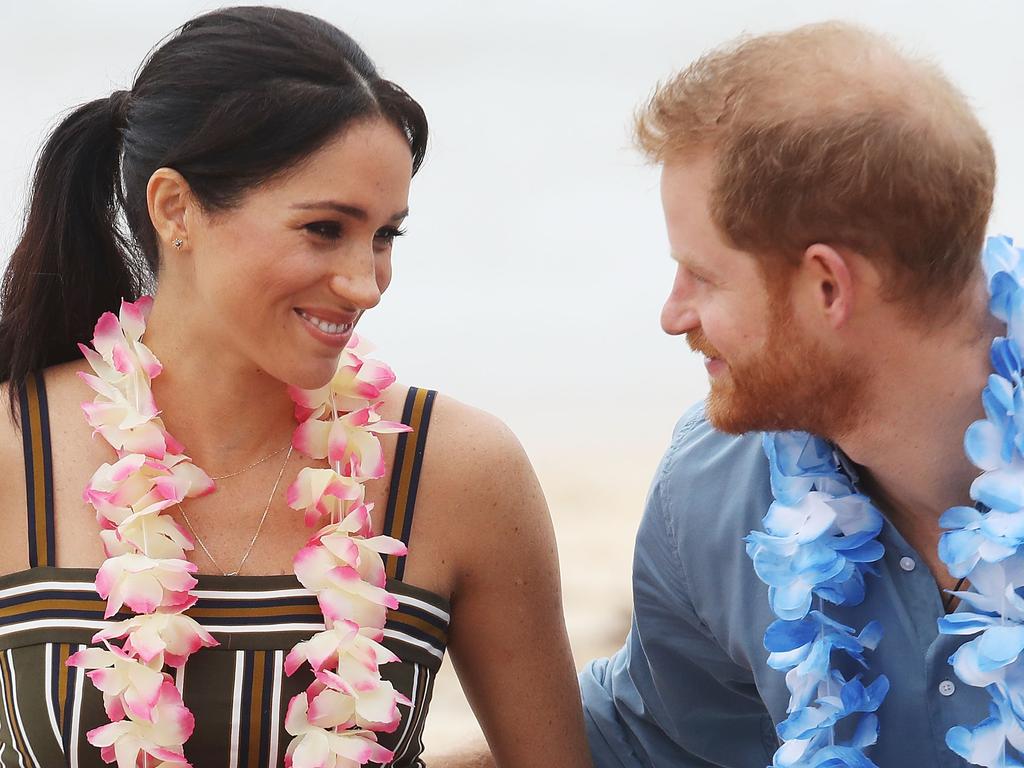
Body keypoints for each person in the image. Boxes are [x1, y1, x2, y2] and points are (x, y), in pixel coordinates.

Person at [0, 7, 590, 767]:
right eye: (324, 229)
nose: (367, 282)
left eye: (385, 235)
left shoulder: (457, 471)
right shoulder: (17, 450)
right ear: (175, 208)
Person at [579, 21, 1008, 768]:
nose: (673, 315)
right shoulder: (712, 490)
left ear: (826, 286)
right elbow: (650, 743)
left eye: (702, 277)